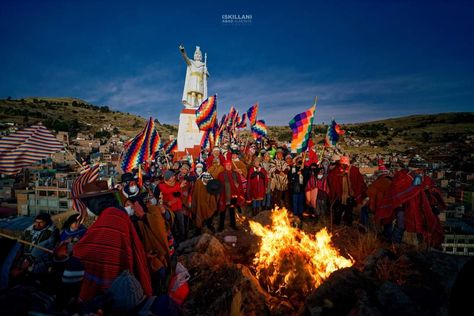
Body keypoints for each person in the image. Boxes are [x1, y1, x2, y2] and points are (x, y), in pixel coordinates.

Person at [72, 180, 152, 302]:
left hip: (115, 280)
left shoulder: (110, 215)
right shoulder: (115, 211)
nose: (88, 207)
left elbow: (97, 247)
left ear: (96, 201)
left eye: (89, 203)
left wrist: (72, 249)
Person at [327, 156, 367, 226]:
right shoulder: (338, 170)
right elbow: (331, 177)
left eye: (343, 164)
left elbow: (359, 183)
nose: (341, 165)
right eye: (341, 164)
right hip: (341, 195)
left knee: (349, 212)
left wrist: (356, 194)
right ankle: (336, 225)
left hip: (350, 196)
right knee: (338, 211)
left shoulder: (354, 170)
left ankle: (348, 226)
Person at [159, 170, 186, 242]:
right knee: (172, 224)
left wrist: (173, 201)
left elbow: (180, 194)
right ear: (168, 178)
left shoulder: (177, 183)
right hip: (169, 209)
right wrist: (179, 187)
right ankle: (174, 239)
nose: (174, 177)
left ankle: (183, 237)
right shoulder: (162, 185)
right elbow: (166, 191)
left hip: (178, 207)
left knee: (181, 223)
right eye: (172, 176)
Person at [217, 161, 245, 231]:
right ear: (224, 166)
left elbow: (240, 184)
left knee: (232, 210)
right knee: (223, 211)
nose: (229, 166)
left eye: (230, 165)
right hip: (225, 196)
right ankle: (221, 226)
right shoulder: (221, 175)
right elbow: (219, 185)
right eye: (227, 165)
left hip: (233, 196)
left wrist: (240, 194)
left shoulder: (235, 174)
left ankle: (233, 225)